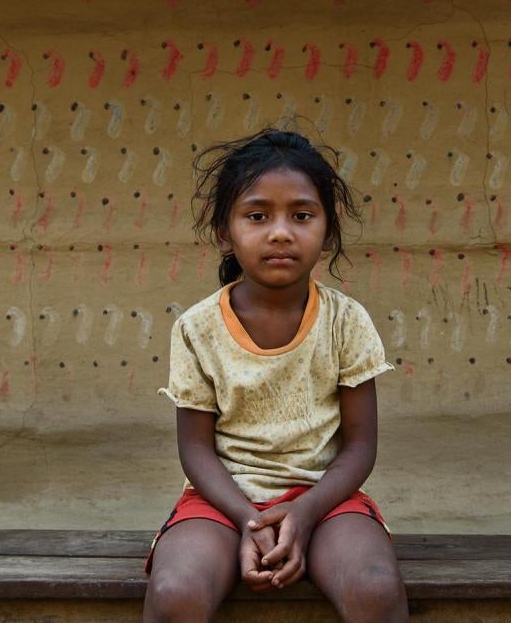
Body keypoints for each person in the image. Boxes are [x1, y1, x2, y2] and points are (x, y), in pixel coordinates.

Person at [143, 127, 408, 622]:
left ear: (327, 230)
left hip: (326, 500)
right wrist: (249, 519)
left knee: (374, 589)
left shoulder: (346, 321)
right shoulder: (197, 328)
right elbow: (195, 448)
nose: (281, 232)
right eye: (257, 215)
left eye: (302, 215)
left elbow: (360, 446)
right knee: (176, 591)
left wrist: (304, 514)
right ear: (225, 230)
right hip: (221, 501)